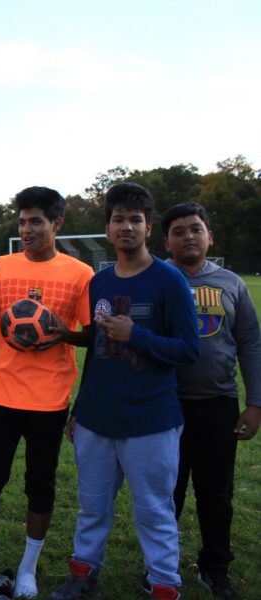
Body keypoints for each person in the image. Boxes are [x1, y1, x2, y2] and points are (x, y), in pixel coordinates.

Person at [52, 183, 200, 600]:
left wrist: (138, 336)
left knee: (154, 510)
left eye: (135, 219)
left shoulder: (168, 280)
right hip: (98, 418)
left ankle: (164, 585)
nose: (127, 227)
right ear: (108, 228)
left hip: (150, 420)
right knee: (92, 505)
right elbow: (98, 354)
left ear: (148, 228)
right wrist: (79, 409)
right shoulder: (98, 283)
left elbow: (190, 350)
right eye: (119, 219)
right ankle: (83, 575)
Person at [0, 187, 93, 600]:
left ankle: (28, 568)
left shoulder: (79, 273)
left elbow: (90, 335)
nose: (27, 229)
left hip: (49, 400)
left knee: (39, 484)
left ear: (56, 224)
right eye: (23, 222)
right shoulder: (1, 267)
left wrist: (62, 334)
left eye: (36, 222)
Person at [161, 202, 261, 599]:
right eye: (179, 230)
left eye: (196, 229)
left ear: (209, 236)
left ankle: (215, 566)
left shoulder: (231, 284)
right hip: (166, 405)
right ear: (166, 240)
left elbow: (251, 344)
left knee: (216, 493)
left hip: (218, 403)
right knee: (167, 493)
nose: (188, 236)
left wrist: (255, 403)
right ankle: (162, 568)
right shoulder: (158, 279)